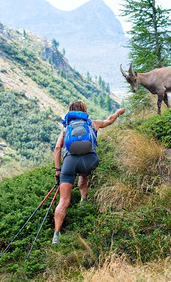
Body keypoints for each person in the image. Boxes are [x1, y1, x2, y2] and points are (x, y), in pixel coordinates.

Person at [52, 101, 125, 244]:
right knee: (83, 172)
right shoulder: (92, 123)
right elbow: (109, 120)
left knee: (63, 200)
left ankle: (56, 235)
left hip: (69, 163)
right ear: (84, 110)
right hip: (90, 160)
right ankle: (83, 200)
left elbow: (57, 148)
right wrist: (118, 112)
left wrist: (58, 170)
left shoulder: (66, 128)